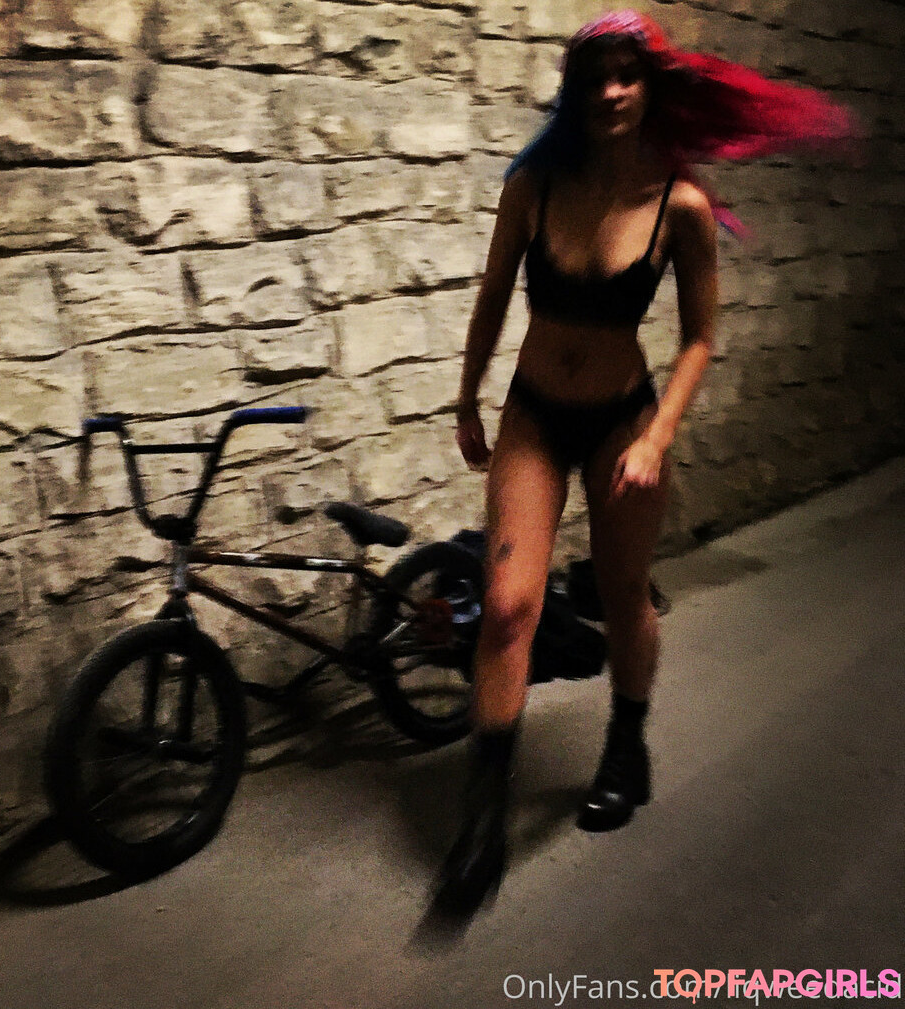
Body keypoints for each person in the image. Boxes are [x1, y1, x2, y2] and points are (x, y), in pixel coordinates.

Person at [439, 10, 856, 912]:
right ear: (575, 90)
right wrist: (467, 397)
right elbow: (493, 296)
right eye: (596, 77)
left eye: (628, 74)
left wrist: (657, 436)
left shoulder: (681, 205)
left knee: (624, 592)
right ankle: (483, 818)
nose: (612, 91)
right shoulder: (534, 186)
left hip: (624, 423)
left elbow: (700, 337)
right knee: (507, 607)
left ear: (651, 85)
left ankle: (627, 748)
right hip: (535, 415)